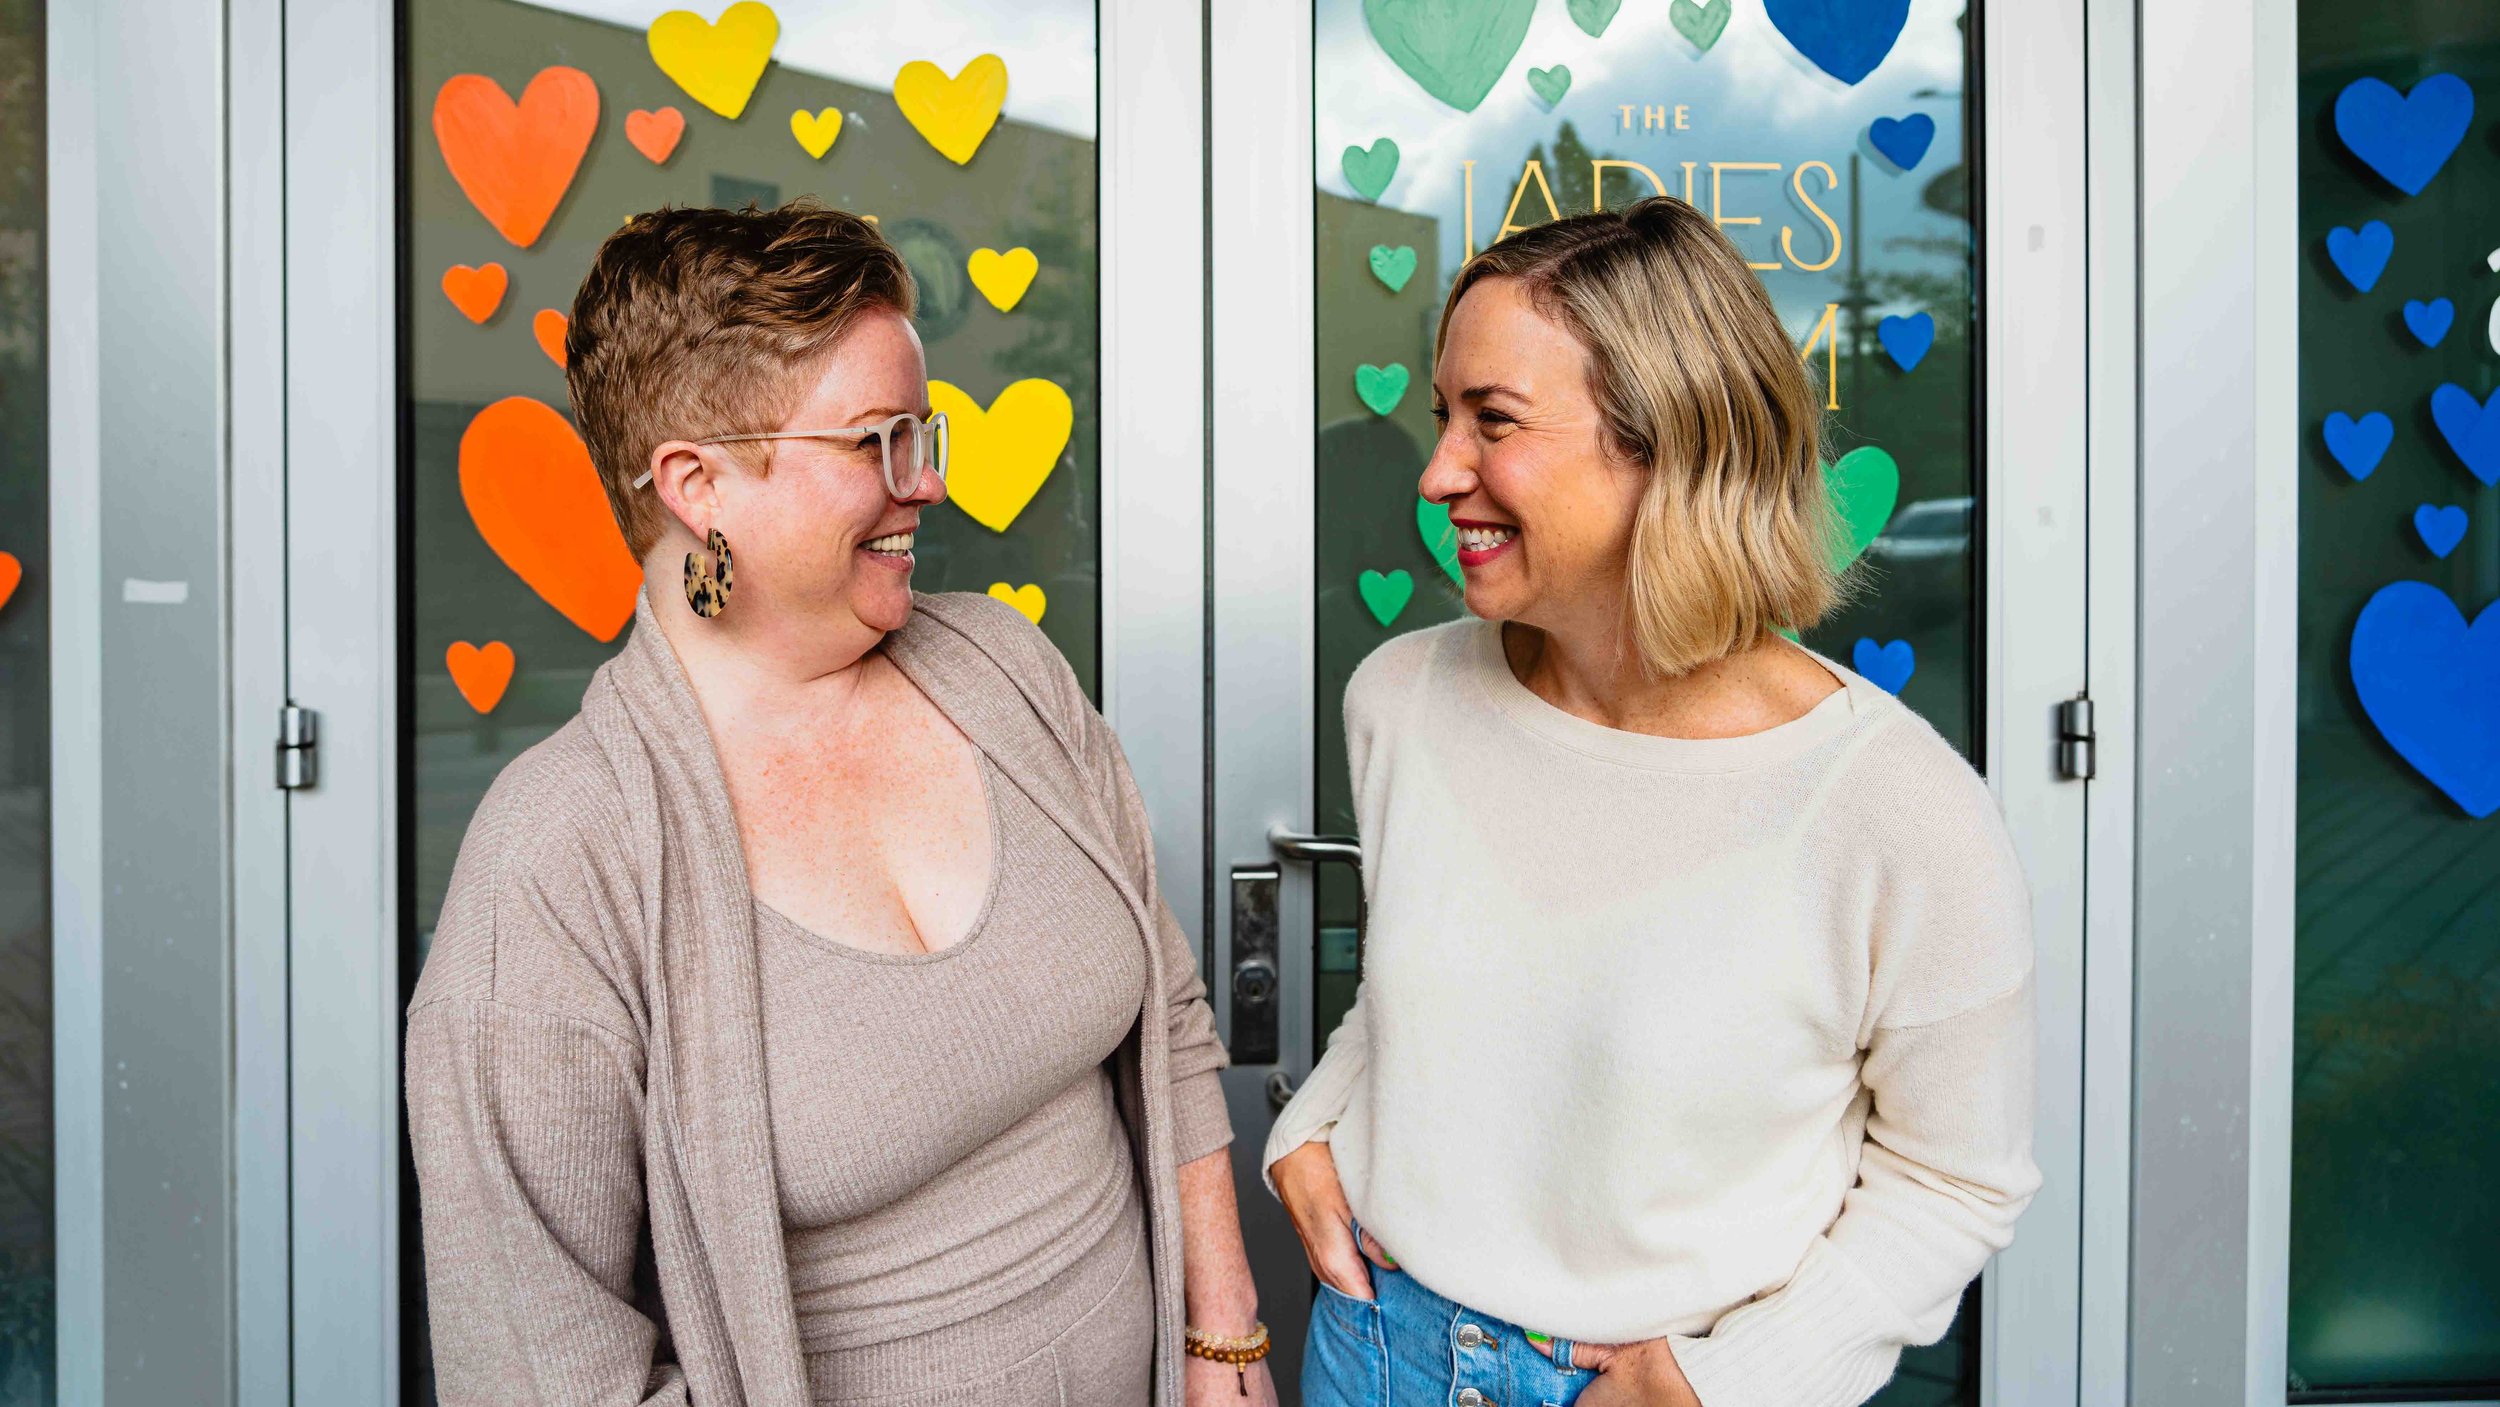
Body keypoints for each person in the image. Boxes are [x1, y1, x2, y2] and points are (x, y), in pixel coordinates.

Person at [406, 202, 1277, 1407]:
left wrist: (1222, 1332)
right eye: (878, 441)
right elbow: (538, 1371)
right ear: (698, 483)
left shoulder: (1004, 670)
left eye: (923, 434)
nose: (922, 484)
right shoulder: (559, 858)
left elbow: (1169, 1013)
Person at [1266, 197, 2040, 1407]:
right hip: (1375, 1347)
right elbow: (1420, 994)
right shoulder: (1401, 699)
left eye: (1494, 422)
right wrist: (1312, 1125)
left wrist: (1719, 1381)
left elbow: (1958, 1182)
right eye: (1442, 416)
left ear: (1665, 445)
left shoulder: (1895, 809)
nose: (1435, 471)